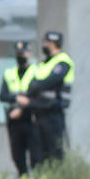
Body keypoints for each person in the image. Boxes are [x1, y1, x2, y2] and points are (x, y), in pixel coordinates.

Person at [20, 30, 74, 162]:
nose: (44, 45)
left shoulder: (63, 62)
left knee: (55, 153)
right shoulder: (43, 64)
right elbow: (32, 85)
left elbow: (48, 82)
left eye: (46, 42)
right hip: (39, 113)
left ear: (53, 43)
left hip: (54, 113)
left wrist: (37, 86)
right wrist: (37, 86)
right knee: (40, 155)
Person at [0, 40, 39, 176]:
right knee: (17, 156)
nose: (20, 56)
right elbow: (2, 95)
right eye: (18, 53)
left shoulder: (37, 71)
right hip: (14, 122)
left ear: (29, 53)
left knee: (36, 157)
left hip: (31, 119)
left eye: (23, 53)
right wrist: (16, 98)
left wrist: (21, 109)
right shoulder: (9, 73)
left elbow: (36, 96)